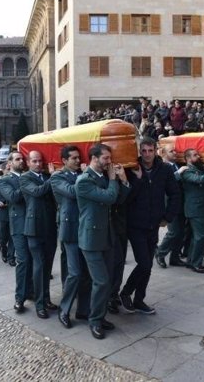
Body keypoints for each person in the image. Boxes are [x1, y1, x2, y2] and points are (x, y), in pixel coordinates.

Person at [75, 143, 130, 340]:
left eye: (109, 158)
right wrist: (114, 180)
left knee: (108, 280)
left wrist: (123, 181)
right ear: (94, 158)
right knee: (101, 281)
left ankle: (99, 316)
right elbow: (108, 197)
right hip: (90, 239)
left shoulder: (104, 177)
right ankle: (95, 321)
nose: (109, 161)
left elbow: (118, 199)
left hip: (107, 235)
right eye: (106, 158)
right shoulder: (83, 180)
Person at [120, 138, 180, 315]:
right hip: (135, 224)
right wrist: (137, 180)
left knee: (148, 266)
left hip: (154, 223)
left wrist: (167, 217)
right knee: (145, 263)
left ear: (156, 151)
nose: (147, 154)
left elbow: (175, 194)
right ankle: (126, 292)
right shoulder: (131, 169)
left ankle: (139, 300)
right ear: (140, 151)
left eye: (150, 151)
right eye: (144, 151)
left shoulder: (165, 170)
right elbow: (126, 198)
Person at [49, 145, 91, 329]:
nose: (77, 160)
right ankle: (64, 310)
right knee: (74, 273)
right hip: (71, 229)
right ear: (64, 161)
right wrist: (86, 175)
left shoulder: (81, 175)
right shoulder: (57, 177)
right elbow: (74, 192)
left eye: (78, 157)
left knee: (87, 273)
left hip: (87, 228)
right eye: (73, 158)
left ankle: (84, 310)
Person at [19, 151, 58, 319]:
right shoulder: (25, 178)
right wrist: (53, 178)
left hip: (49, 227)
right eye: (34, 161)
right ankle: (39, 304)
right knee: (39, 266)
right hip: (34, 229)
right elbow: (37, 192)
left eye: (40, 161)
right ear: (28, 163)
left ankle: (46, 299)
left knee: (47, 266)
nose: (38, 164)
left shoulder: (47, 176)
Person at [0, 152, 32, 313]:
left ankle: (34, 292)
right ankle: (20, 298)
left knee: (36, 261)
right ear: (10, 163)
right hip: (19, 226)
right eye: (17, 159)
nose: (21, 161)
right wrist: (26, 184)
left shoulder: (29, 176)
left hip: (35, 223)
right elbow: (12, 197)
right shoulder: (4, 180)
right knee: (23, 261)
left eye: (22, 158)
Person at [155, 144, 187, 268]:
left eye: (175, 151)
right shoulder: (162, 167)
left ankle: (175, 257)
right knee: (174, 232)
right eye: (171, 151)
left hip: (180, 202)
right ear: (163, 153)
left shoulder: (176, 164)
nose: (175, 153)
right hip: (169, 204)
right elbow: (165, 182)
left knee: (181, 232)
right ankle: (161, 253)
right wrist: (179, 172)